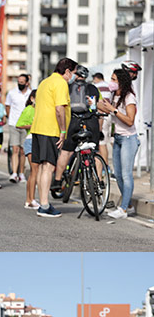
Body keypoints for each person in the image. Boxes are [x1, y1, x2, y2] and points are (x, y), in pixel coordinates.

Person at [30, 57, 77, 218]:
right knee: (49, 167)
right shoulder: (60, 83)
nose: (73, 77)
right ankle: (44, 205)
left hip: (38, 128)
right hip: (50, 129)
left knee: (43, 167)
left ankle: (44, 203)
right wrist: (63, 131)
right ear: (67, 71)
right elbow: (59, 109)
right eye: (73, 73)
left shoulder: (45, 82)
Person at [52, 66, 100, 198]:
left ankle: (57, 180)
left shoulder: (67, 87)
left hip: (72, 122)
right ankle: (99, 181)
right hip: (90, 123)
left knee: (66, 152)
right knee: (95, 152)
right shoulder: (92, 88)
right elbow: (96, 106)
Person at [97, 68, 139, 219]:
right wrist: (94, 103)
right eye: (111, 78)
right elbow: (106, 109)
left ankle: (123, 209)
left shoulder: (129, 98)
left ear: (121, 81)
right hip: (118, 138)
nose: (111, 82)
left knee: (126, 175)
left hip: (129, 139)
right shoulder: (115, 95)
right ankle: (128, 205)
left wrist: (113, 110)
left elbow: (129, 121)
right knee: (119, 176)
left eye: (114, 79)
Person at [5, 72, 31, 183]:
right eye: (18, 82)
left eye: (22, 82)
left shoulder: (30, 94)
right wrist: (10, 118)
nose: (20, 84)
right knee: (14, 149)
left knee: (22, 150)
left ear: (26, 83)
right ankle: (14, 173)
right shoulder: (12, 93)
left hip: (26, 126)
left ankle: (21, 173)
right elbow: (7, 106)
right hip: (14, 124)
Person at [16, 89, 38, 209]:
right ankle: (31, 199)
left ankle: (29, 199)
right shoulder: (29, 109)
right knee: (34, 171)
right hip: (30, 140)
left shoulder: (40, 110)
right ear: (32, 98)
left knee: (34, 172)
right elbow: (19, 124)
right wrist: (33, 125)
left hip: (38, 141)